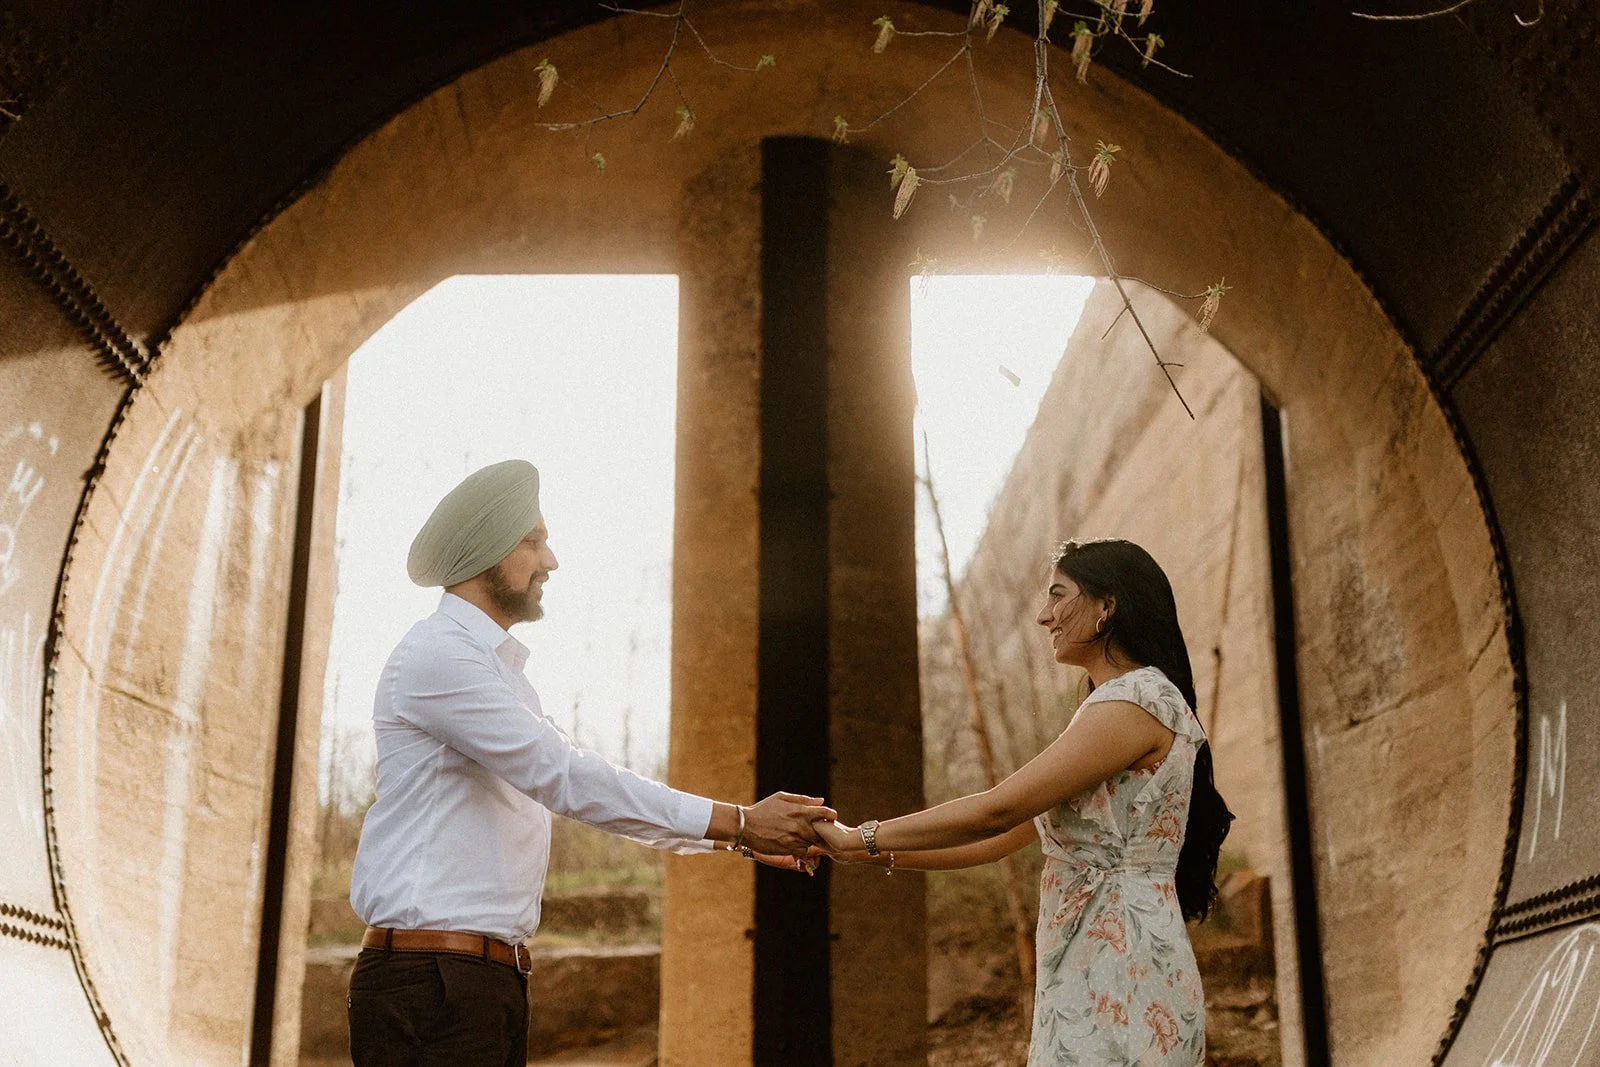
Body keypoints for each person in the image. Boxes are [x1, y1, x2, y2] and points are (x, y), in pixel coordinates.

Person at [346, 459, 833, 1066]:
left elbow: (582, 786)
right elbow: (569, 778)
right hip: (432, 984)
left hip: (477, 981)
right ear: (486, 551)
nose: (551, 561)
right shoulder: (437, 656)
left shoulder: (498, 672)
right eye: (534, 541)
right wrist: (737, 820)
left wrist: (734, 840)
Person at [818, 538, 1233, 1066]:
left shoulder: (1135, 701)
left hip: (1122, 974)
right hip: (1097, 965)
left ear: (1108, 607)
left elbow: (997, 810)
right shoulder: (1120, 705)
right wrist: (851, 852)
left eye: (1059, 596)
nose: (1044, 616)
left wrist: (862, 836)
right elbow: (996, 841)